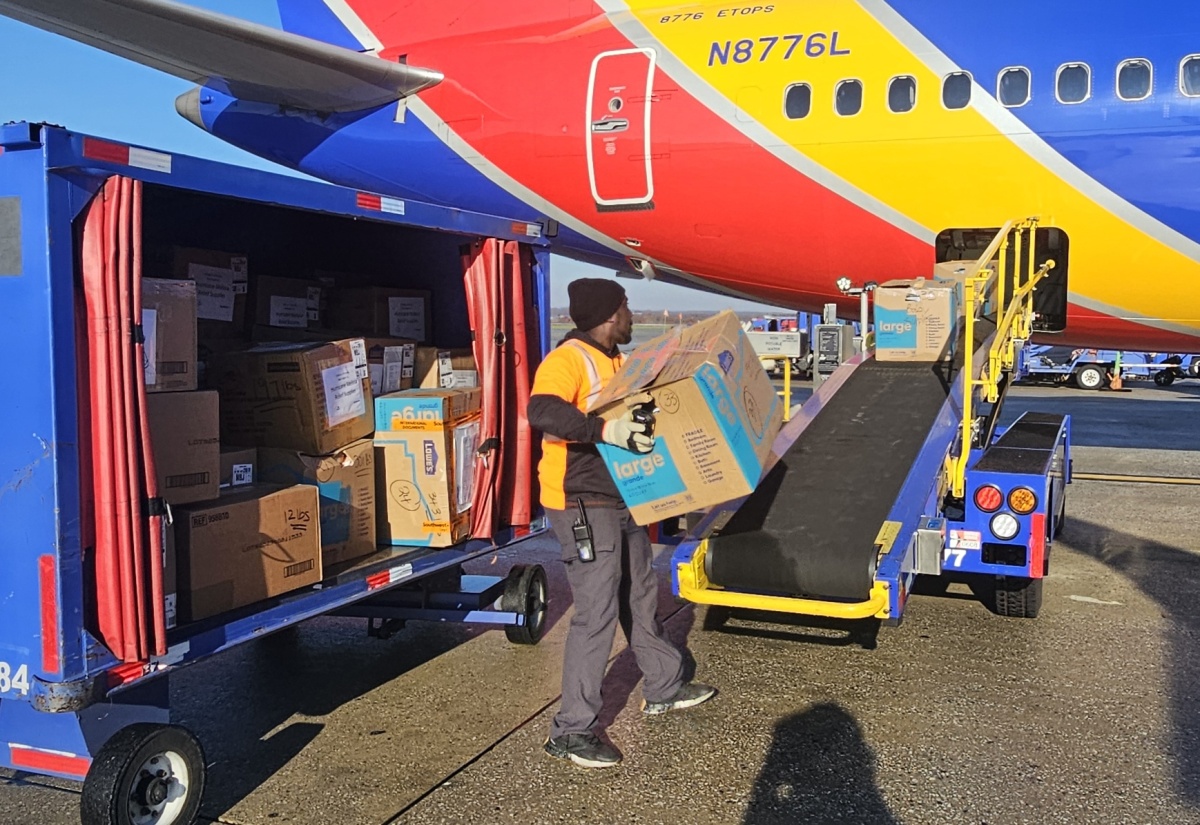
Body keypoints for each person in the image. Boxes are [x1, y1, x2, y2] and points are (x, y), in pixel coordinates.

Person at [527, 277, 716, 770]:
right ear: (612, 313)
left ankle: (664, 685)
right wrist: (604, 429)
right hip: (582, 502)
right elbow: (542, 410)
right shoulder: (569, 358)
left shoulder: (618, 361)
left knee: (640, 594)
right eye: (628, 307)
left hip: (621, 497)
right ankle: (571, 731)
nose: (632, 315)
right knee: (595, 611)